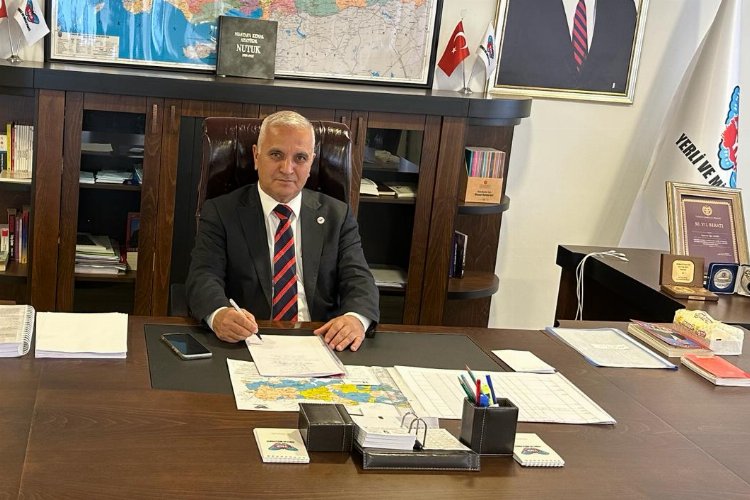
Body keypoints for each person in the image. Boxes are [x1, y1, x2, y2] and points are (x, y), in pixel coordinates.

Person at [186, 111, 379, 351]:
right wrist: (219, 314)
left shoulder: (337, 215)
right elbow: (203, 276)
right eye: (276, 154)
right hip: (249, 340)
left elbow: (359, 279)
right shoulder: (221, 211)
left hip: (321, 340)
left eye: (300, 158)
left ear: (311, 162)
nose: (287, 169)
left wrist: (355, 319)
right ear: (256, 156)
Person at [497, 0, 638, 93]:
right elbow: (506, 73)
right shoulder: (520, 4)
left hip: (597, 123)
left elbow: (624, 75)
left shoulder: (624, 7)